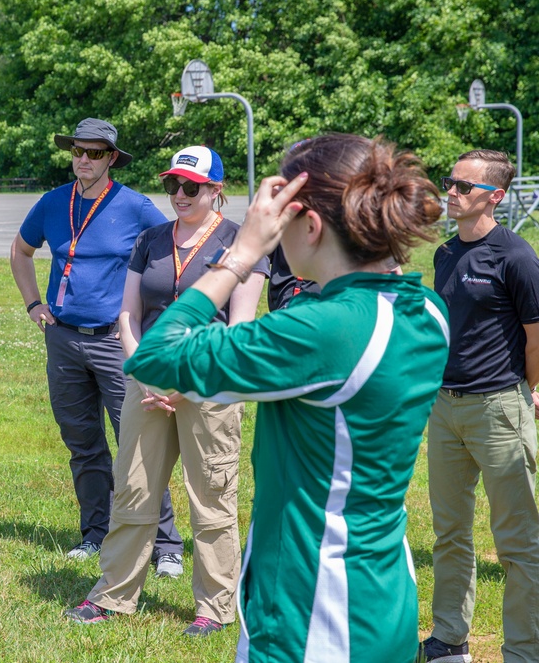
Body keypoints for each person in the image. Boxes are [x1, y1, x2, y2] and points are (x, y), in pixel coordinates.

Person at [124, 134, 449, 661]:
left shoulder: (320, 330)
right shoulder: (427, 310)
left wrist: (240, 255)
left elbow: (157, 356)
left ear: (312, 226)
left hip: (312, 616)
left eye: (281, 223)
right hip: (384, 597)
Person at [65, 146, 268, 635]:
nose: (179, 194)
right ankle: (113, 595)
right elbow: (128, 314)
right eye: (173, 184)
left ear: (216, 190)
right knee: (133, 491)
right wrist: (141, 369)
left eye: (191, 186)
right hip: (147, 381)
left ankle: (215, 607)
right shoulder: (152, 239)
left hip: (210, 386)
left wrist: (188, 384)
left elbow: (239, 328)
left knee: (211, 500)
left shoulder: (240, 245)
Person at [9, 118, 183, 565]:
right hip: (63, 339)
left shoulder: (136, 207)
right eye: (77, 152)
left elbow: (172, 256)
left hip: (113, 341)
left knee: (139, 444)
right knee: (83, 444)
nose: (83, 160)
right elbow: (21, 251)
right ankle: (95, 534)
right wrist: (34, 305)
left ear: (111, 159)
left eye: (94, 153)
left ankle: (165, 546)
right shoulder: (52, 203)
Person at [420, 150, 539, 663]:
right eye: (449, 182)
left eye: (464, 187)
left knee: (517, 543)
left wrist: (530, 393)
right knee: (449, 533)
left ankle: (523, 651)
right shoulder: (445, 253)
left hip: (500, 409)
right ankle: (449, 639)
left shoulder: (516, 255)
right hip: (444, 410)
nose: (451, 192)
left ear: (495, 196)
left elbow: (536, 337)